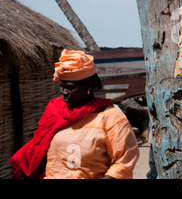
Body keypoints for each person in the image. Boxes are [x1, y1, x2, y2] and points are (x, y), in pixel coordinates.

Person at [10, 49, 140, 179]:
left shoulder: (109, 117)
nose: (64, 92)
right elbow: (37, 150)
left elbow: (125, 159)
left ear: (88, 86)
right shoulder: (56, 110)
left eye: (70, 88)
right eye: (62, 87)